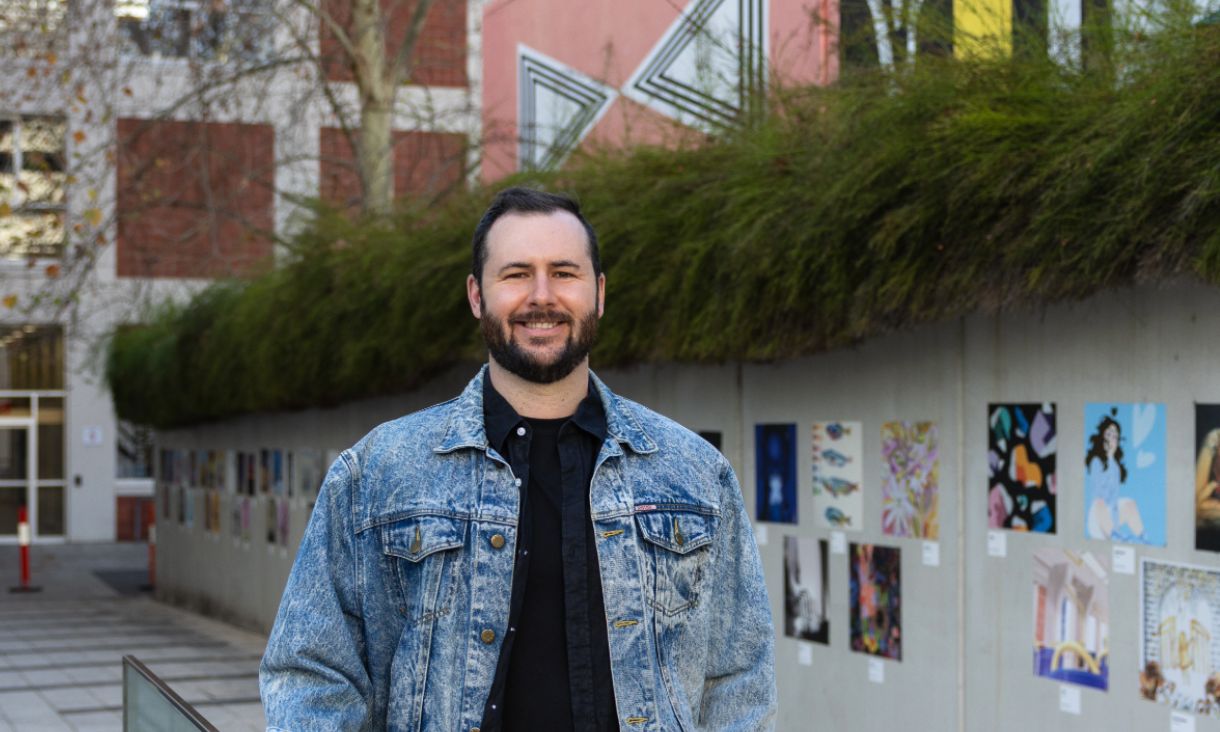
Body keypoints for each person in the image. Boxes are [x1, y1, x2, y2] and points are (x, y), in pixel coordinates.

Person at [260, 187, 777, 731]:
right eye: (515, 274)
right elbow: (313, 674)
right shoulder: (378, 473)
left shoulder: (694, 473)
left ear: (599, 293)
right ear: (476, 295)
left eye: (564, 272)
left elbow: (737, 678)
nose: (542, 296)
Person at [1084, 410, 1144, 542]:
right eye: (1109, 434)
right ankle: (1114, 534)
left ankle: (1142, 537)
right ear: (1103, 437)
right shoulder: (1096, 461)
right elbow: (1100, 494)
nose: (1112, 438)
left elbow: (1114, 499)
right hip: (1097, 516)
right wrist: (1109, 458)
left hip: (1110, 515)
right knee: (1099, 502)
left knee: (1130, 503)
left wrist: (1116, 525)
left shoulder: (1115, 466)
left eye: (1115, 436)